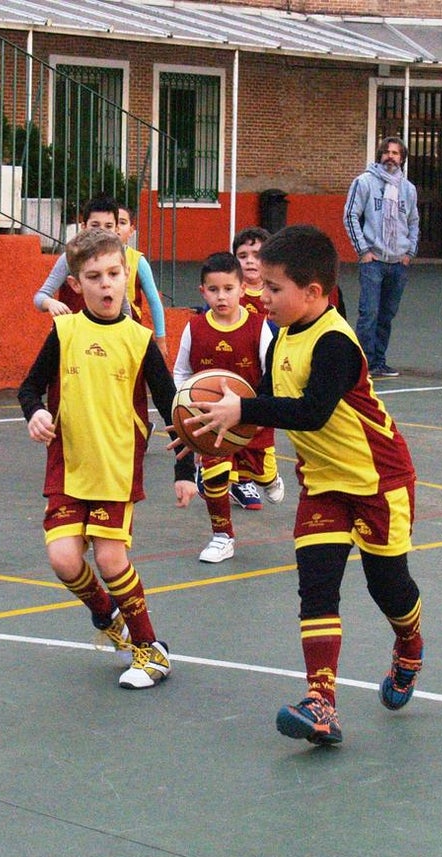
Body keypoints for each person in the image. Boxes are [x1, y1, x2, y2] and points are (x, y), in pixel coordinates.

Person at [181, 224, 426, 745]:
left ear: (312, 292)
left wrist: (241, 407)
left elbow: (310, 413)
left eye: (272, 288)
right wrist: (208, 432)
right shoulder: (283, 337)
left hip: (377, 479)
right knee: (316, 587)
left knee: (389, 587)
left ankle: (409, 644)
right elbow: (267, 408)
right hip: (322, 484)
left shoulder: (336, 342)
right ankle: (322, 701)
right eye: (260, 285)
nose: (259, 296)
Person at [19, 227, 196, 690]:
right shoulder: (64, 331)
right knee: (63, 559)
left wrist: (184, 471)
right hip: (67, 463)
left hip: (116, 467)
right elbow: (28, 387)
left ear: (126, 276)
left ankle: (150, 650)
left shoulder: (140, 341)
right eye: (94, 276)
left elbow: (172, 407)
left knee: (112, 558)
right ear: (75, 285)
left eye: (114, 273)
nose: (106, 284)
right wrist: (35, 412)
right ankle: (106, 613)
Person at [173, 252, 284, 564]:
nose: (221, 296)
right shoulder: (194, 328)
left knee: (261, 475)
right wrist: (186, 412)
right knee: (215, 476)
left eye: (228, 289)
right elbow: (181, 373)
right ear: (202, 292)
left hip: (252, 420)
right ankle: (223, 536)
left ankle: (271, 478)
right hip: (211, 421)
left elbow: (271, 376)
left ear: (242, 289)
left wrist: (261, 411)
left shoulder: (260, 327)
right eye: (213, 290)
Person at [343, 136, 419, 378]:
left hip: (398, 262)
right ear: (379, 156)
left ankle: (379, 361)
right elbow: (350, 216)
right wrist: (363, 251)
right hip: (373, 261)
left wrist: (410, 252)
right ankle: (362, 364)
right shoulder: (364, 182)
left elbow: (414, 221)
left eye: (396, 153)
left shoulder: (408, 189)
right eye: (386, 152)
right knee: (369, 313)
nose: (390, 157)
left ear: (402, 159)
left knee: (386, 315)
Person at [229, 226, 273, 509]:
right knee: (234, 430)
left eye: (256, 254)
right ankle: (239, 482)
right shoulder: (231, 293)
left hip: (267, 374)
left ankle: (261, 475)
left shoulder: (276, 292)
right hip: (235, 372)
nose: (249, 261)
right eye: (242, 255)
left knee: (261, 432)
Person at [115, 203, 168, 357]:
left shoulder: (138, 261)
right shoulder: (92, 257)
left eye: (123, 222)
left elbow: (154, 301)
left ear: (131, 230)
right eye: (114, 222)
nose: (117, 227)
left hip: (130, 328)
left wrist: (160, 338)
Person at [232, 227, 271, 318]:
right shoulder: (228, 291)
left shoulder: (278, 292)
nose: (249, 261)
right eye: (242, 256)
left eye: (257, 256)